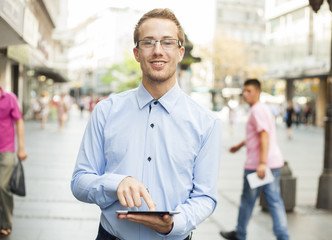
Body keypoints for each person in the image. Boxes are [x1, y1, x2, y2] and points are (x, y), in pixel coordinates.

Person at [71, 8, 222, 240]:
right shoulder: (106, 111)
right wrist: (117, 181)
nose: (158, 51)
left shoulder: (206, 122)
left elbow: (205, 197)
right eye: (149, 42)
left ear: (180, 52)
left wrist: (174, 223)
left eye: (168, 42)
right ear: (137, 53)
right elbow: (80, 181)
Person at [220, 79, 289, 240]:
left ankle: (241, 233)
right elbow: (257, 135)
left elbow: (264, 135)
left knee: (253, 201)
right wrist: (240, 145)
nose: (245, 94)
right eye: (244, 91)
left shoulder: (257, 110)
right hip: (271, 162)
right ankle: (243, 232)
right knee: (272, 201)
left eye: (249, 91)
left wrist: (262, 163)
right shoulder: (261, 109)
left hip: (260, 165)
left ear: (258, 92)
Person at [0, 86, 27, 237]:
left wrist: (21, 147)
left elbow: (19, 121)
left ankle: (6, 222)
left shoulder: (9, 98)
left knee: (2, 186)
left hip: (6, 149)